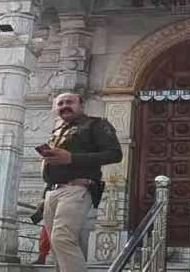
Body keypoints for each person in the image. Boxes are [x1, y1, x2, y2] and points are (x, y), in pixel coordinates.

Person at [39, 93, 122, 272]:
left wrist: (72, 158)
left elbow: (115, 154)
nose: (64, 106)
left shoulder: (96, 124)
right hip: (53, 191)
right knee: (56, 245)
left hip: (77, 188)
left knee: (62, 238)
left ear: (81, 105)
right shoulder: (58, 130)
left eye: (69, 102)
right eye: (60, 103)